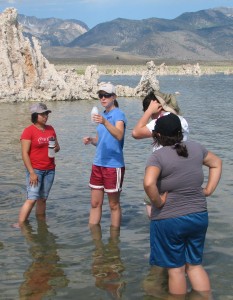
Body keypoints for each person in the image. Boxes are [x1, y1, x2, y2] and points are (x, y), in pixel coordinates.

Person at [143, 113, 222, 295]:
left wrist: (158, 201)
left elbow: (148, 183)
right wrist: (208, 190)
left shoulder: (158, 156)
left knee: (176, 270)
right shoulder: (196, 148)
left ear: (158, 136)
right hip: (198, 216)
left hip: (170, 220)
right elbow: (217, 163)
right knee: (194, 266)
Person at [132, 90, 189, 217]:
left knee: (153, 208)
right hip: (183, 170)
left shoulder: (161, 121)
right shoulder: (181, 119)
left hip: (162, 170)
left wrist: (148, 111)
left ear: (157, 107)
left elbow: (135, 133)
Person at [83, 83, 127, 229]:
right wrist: (91, 140)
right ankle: (94, 240)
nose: (103, 98)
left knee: (113, 205)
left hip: (113, 165)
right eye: (101, 95)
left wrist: (105, 122)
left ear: (114, 97)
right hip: (98, 164)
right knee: (95, 203)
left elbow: (119, 135)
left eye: (107, 95)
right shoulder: (102, 115)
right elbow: (100, 140)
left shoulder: (119, 114)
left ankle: (114, 241)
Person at [17, 103, 60, 226]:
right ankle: (20, 223)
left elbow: (57, 148)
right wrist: (31, 173)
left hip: (50, 169)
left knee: (43, 199)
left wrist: (55, 148)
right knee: (32, 199)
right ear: (35, 115)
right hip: (35, 170)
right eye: (42, 114)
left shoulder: (50, 129)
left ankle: (41, 222)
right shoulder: (28, 131)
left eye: (46, 113)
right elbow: (24, 153)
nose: (45, 116)